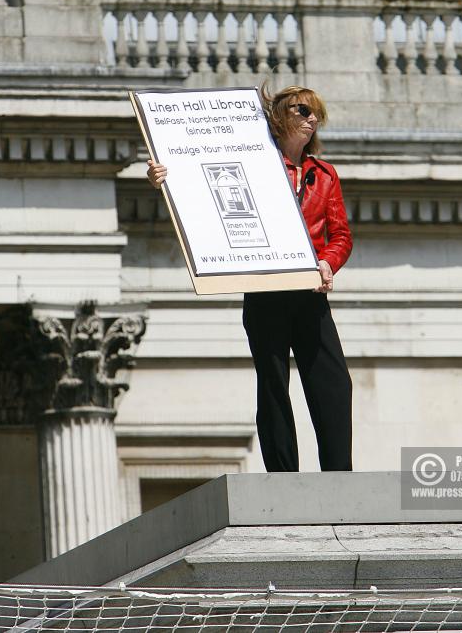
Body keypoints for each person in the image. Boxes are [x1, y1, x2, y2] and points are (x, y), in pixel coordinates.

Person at [146, 85, 353, 472]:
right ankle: (283, 475)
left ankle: (339, 473)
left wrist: (327, 263)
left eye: (316, 113)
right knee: (273, 384)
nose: (312, 119)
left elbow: (341, 235)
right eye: (303, 110)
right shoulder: (255, 164)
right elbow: (201, 179)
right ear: (280, 116)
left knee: (333, 382)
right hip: (266, 289)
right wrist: (164, 179)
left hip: (309, 292)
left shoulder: (324, 176)